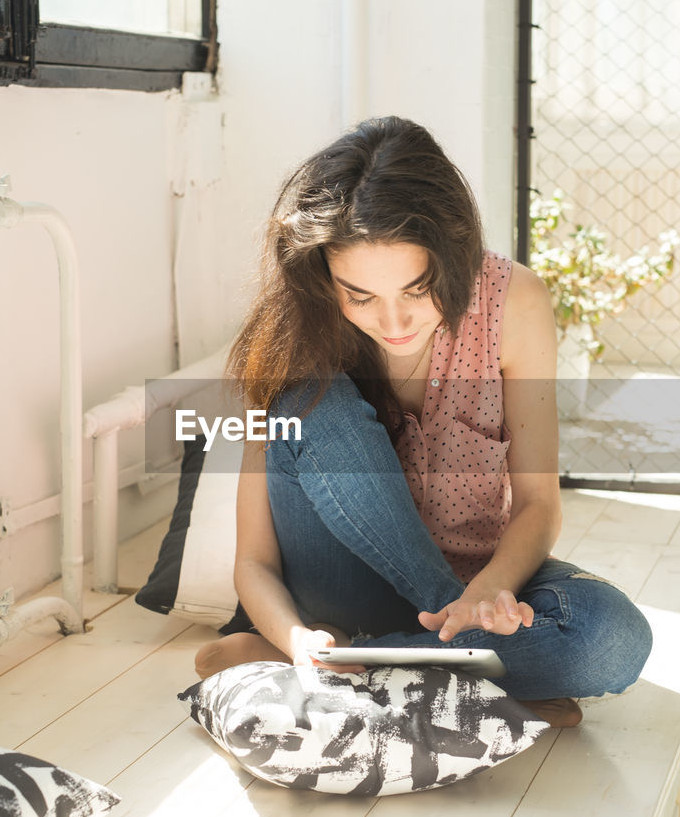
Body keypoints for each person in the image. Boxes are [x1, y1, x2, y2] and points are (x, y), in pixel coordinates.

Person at [193, 116, 652, 725]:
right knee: (312, 403)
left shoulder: (515, 303)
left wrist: (486, 594)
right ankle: (468, 671)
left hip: (476, 588)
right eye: (360, 296)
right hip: (338, 589)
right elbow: (253, 561)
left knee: (611, 638)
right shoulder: (299, 328)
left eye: (417, 289)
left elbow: (540, 502)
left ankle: (367, 664)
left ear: (453, 255)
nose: (393, 322)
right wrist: (297, 635)